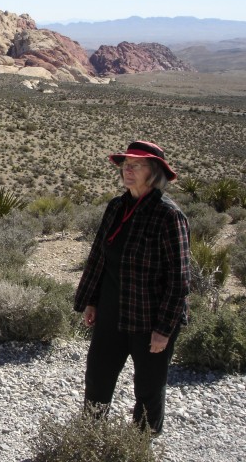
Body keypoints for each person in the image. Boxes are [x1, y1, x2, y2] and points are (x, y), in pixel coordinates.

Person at [73, 140, 190, 435]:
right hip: (112, 311)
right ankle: (91, 440)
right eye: (126, 165)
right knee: (97, 379)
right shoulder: (116, 207)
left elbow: (179, 278)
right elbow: (100, 257)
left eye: (136, 165)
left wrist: (164, 328)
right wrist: (92, 300)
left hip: (150, 318)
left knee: (149, 389)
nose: (128, 170)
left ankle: (141, 446)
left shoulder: (168, 216)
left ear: (154, 172)